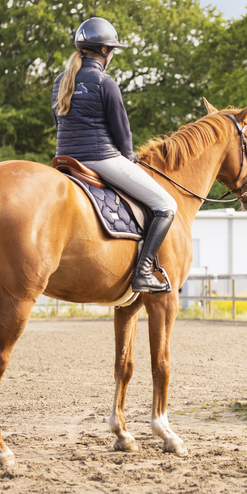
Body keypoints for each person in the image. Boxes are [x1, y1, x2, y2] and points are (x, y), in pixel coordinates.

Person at [51, 17, 177, 293]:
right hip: (101, 158)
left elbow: (59, 123)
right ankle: (143, 272)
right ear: (106, 51)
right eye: (113, 51)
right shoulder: (104, 82)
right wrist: (129, 157)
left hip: (65, 159)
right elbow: (122, 132)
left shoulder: (60, 80)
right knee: (167, 205)